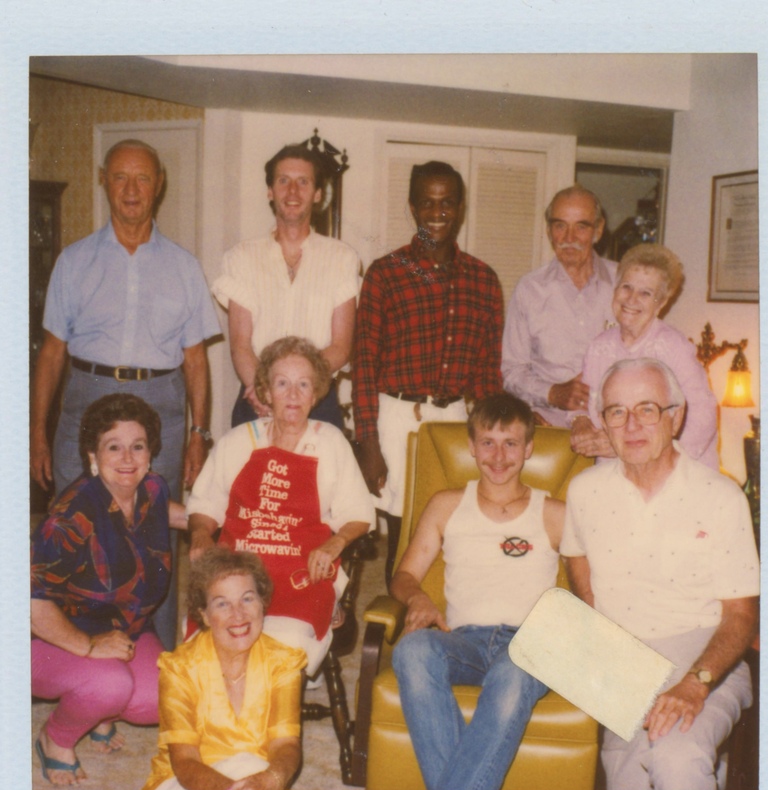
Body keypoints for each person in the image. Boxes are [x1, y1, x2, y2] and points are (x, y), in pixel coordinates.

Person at [31, 138, 219, 649]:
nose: (131, 190)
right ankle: (72, 652)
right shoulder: (73, 261)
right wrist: (36, 435)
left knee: (156, 529)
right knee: (78, 528)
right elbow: (50, 354)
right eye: (120, 177)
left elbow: (197, 360)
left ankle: (158, 656)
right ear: (103, 182)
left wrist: (199, 434)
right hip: (85, 399)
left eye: (142, 178)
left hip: (161, 402)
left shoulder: (183, 266)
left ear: (159, 185)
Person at [561, 359, 759, 790]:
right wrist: (606, 654)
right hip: (626, 665)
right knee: (629, 782)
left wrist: (695, 684)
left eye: (647, 409)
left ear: (676, 416)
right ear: (603, 423)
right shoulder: (584, 491)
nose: (631, 424)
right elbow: (576, 563)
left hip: (706, 656)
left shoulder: (721, 497)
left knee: (677, 757)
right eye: (616, 411)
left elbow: (742, 614)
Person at [390, 392, 564, 790]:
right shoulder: (446, 505)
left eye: (511, 443)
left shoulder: (554, 512)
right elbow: (404, 576)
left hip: (529, 646)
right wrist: (416, 597)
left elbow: (592, 591)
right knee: (412, 650)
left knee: (515, 667)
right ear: (471, 447)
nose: (499, 456)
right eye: (488, 442)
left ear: (529, 449)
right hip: (463, 641)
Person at [187, 337, 373, 679]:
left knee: (283, 648)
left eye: (303, 384)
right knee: (209, 649)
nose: (293, 394)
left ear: (315, 393)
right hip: (237, 573)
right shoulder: (237, 441)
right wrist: (200, 533)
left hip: (301, 572)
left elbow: (358, 514)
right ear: (266, 392)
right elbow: (205, 503)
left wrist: (334, 545)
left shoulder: (330, 442)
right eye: (282, 384)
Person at [352, 160, 503, 582]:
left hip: (454, 420)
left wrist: (492, 440)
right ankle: (398, 636)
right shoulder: (386, 274)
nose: (437, 214)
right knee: (402, 538)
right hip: (398, 419)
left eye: (447, 204)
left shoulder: (483, 280)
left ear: (460, 208)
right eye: (428, 204)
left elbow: (488, 374)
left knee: (452, 531)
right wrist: (367, 442)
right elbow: (364, 363)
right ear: (413, 207)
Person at [31, 394, 187, 787]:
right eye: (113, 447)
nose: (127, 458)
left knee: (161, 697)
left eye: (138, 446)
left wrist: (213, 522)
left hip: (124, 626)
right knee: (110, 684)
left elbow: (169, 510)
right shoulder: (71, 517)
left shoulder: (150, 488)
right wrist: (87, 645)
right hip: (46, 636)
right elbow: (26, 601)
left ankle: (101, 713)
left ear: (150, 454)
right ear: (92, 457)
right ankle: (56, 738)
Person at [212, 144, 361, 429]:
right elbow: (240, 345)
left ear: (317, 194)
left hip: (318, 401)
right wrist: (265, 391)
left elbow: (341, 345)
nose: (293, 191)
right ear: (270, 191)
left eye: (303, 182)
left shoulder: (343, 257)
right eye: (283, 181)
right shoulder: (241, 257)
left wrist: (301, 386)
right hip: (257, 398)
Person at [142, 549, 305, 790]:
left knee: (258, 774)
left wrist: (273, 778)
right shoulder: (180, 668)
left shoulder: (284, 663)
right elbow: (185, 762)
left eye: (247, 599)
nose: (238, 614)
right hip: (186, 783)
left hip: (256, 779)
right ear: (205, 615)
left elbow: (286, 744)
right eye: (222, 604)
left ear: (263, 603)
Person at [569, 243, 718, 469]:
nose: (631, 299)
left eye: (645, 293)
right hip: (614, 471)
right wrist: (580, 422)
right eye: (626, 287)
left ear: (662, 303)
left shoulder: (673, 347)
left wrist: (664, 457)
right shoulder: (599, 347)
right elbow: (583, 401)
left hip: (672, 471)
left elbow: (703, 414)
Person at [502, 184, 617, 427]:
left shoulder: (624, 284)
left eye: (581, 227)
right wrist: (552, 393)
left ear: (598, 230)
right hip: (550, 431)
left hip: (612, 433)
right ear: (548, 231)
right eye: (560, 226)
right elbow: (512, 372)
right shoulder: (529, 289)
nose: (569, 238)